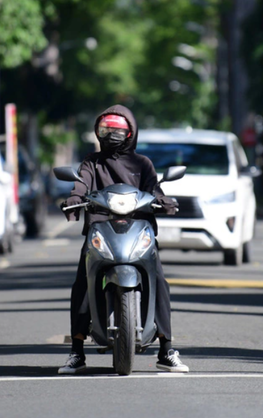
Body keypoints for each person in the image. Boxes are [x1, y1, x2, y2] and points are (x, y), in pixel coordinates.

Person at [58, 104, 189, 374]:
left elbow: (154, 189)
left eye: (117, 130)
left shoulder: (143, 164)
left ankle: (166, 349)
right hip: (100, 229)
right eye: (106, 129)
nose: (111, 134)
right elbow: (81, 185)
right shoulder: (91, 163)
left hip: (137, 230)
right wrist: (74, 197)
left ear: (130, 133)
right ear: (97, 131)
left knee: (159, 280)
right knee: (83, 281)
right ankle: (77, 351)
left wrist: (163, 201)